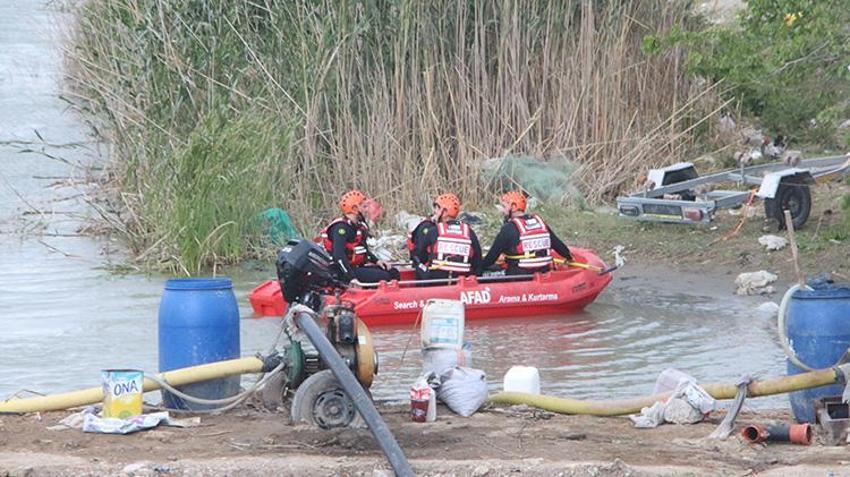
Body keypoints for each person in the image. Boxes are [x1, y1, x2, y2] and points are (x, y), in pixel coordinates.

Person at [480, 190, 573, 276]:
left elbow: (491, 258)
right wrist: (569, 257)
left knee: (491, 268)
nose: (502, 210)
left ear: (513, 207)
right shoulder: (540, 223)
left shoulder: (508, 228)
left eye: (504, 207)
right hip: (543, 272)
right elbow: (558, 245)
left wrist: (477, 267)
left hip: (518, 276)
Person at [318, 190, 400, 284]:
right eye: (363, 206)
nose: (366, 210)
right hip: (342, 271)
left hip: (355, 267)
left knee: (393, 272)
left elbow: (363, 249)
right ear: (354, 208)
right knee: (384, 277)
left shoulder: (357, 226)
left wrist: (377, 261)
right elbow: (338, 256)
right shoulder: (341, 228)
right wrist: (351, 278)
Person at [411, 193, 482, 282]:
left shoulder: (434, 231)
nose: (435, 212)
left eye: (437, 208)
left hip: (436, 281)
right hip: (462, 281)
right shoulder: (469, 232)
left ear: (444, 212)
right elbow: (478, 262)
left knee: (418, 265)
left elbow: (420, 256)